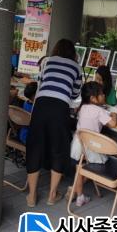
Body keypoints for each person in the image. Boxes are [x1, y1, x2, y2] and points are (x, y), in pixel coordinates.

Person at [25, 39, 83, 207]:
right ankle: (52, 195)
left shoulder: (47, 61)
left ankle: (31, 196)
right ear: (73, 52)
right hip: (60, 108)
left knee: (35, 147)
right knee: (59, 149)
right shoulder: (76, 67)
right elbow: (75, 94)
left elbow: (41, 82)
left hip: (41, 105)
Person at [69, 81, 117, 207]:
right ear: (93, 98)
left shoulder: (82, 108)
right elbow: (113, 124)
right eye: (101, 94)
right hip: (92, 147)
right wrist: (114, 115)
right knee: (88, 167)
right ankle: (75, 189)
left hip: (79, 144)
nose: (104, 95)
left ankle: (78, 194)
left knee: (79, 168)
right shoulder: (99, 111)